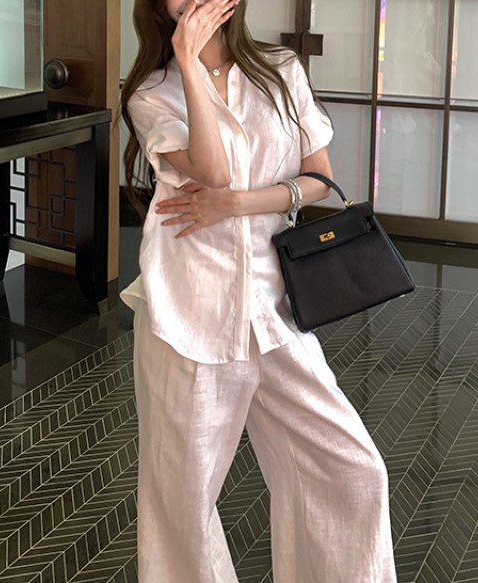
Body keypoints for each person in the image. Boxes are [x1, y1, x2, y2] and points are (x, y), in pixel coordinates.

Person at [119, 0, 397, 580]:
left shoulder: (280, 70)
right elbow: (212, 170)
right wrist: (188, 61)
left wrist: (239, 205)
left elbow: (317, 178)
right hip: (188, 311)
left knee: (352, 467)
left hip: (274, 309)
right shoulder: (150, 92)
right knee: (182, 502)